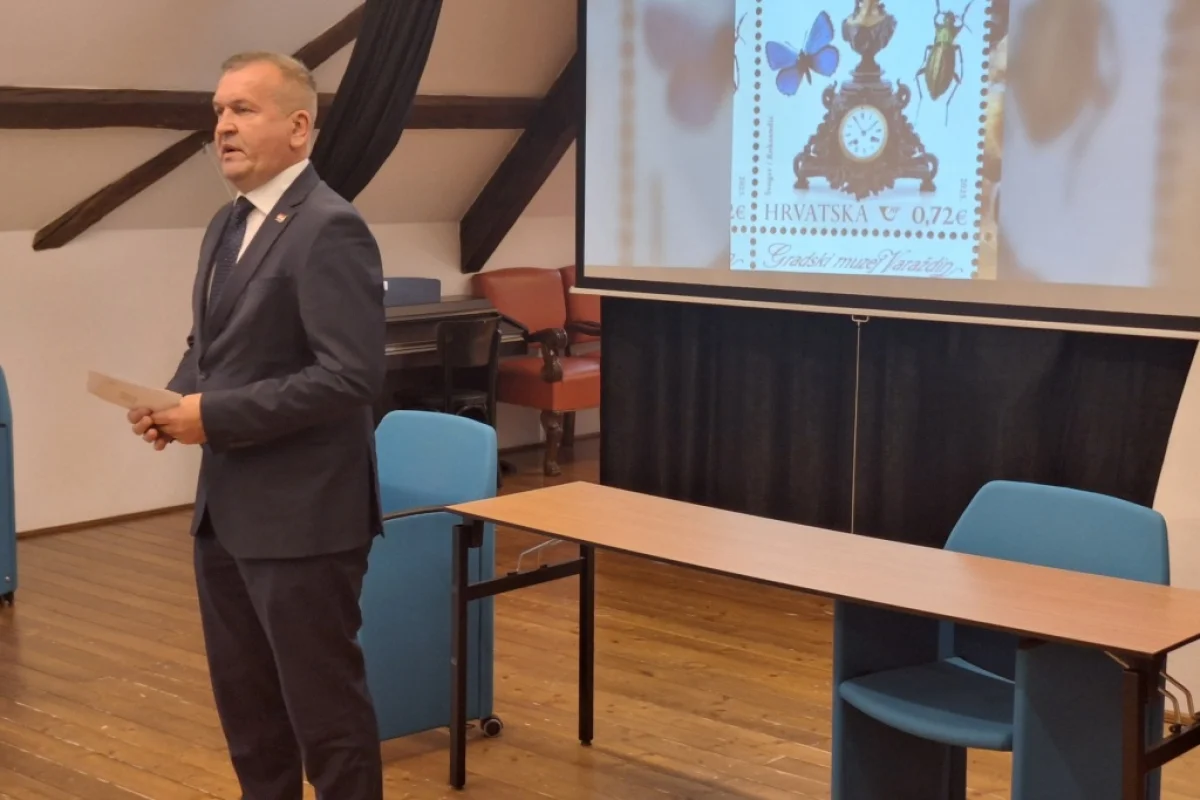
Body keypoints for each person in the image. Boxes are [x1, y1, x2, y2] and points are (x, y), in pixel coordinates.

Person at [126, 51, 386, 800]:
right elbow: (209, 347)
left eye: (243, 109)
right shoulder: (225, 224)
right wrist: (173, 402)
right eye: (218, 111)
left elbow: (350, 377)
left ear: (299, 127)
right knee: (250, 717)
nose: (223, 127)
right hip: (225, 514)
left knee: (325, 717)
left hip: (306, 519)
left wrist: (212, 415)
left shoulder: (331, 227)